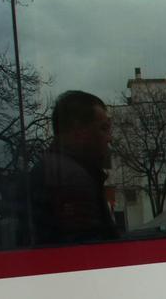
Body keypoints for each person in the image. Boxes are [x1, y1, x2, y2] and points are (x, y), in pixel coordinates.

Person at [30, 90, 118, 245]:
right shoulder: (71, 180)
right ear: (79, 131)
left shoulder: (53, 168)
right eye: (103, 128)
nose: (109, 138)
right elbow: (90, 255)